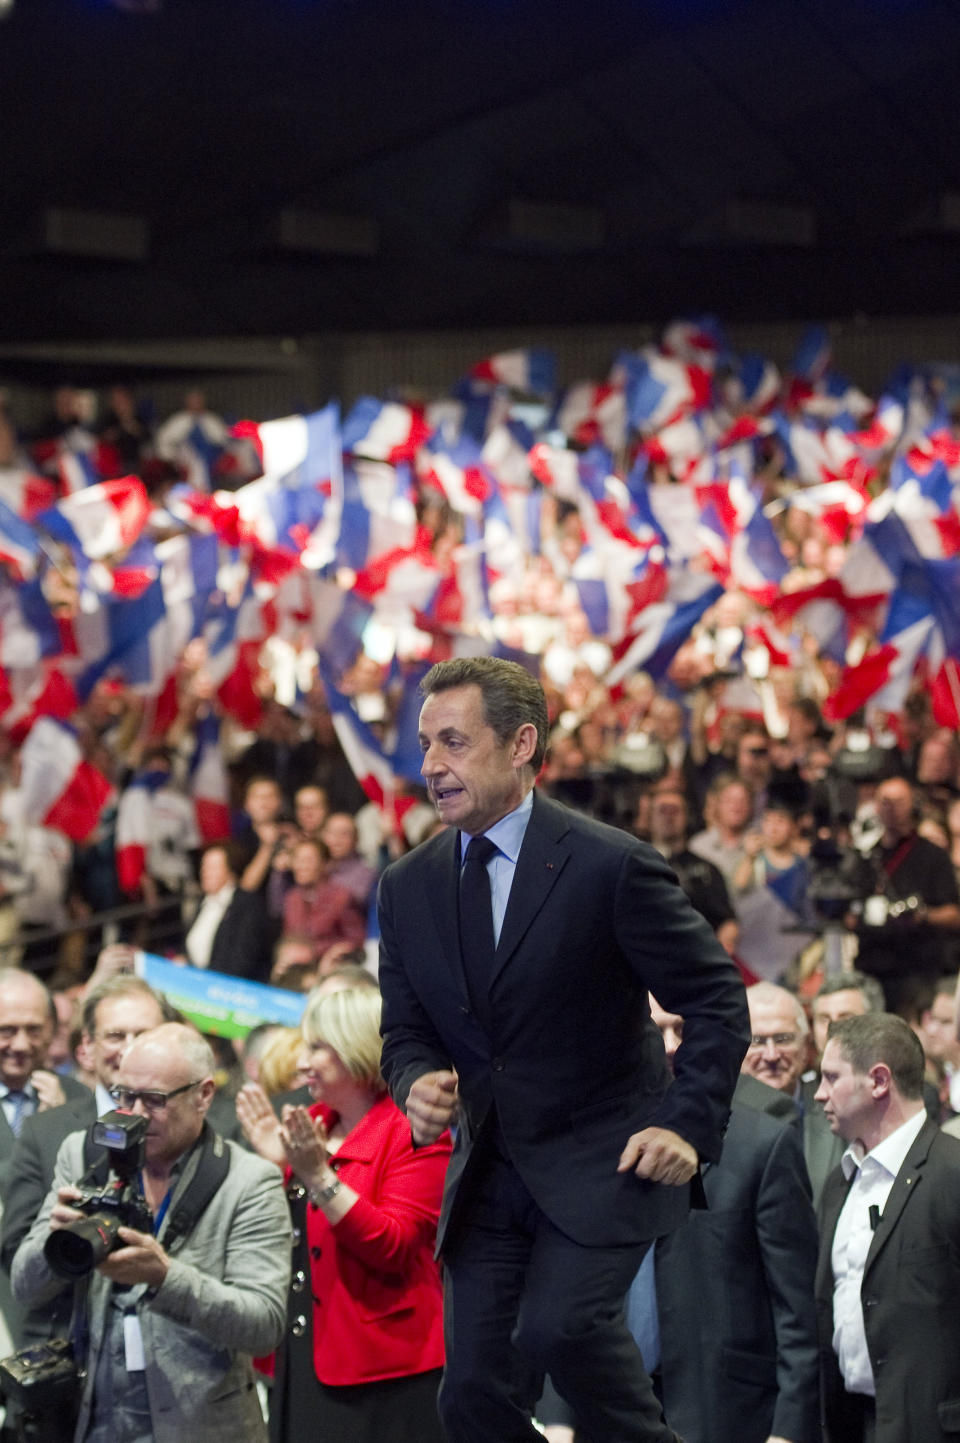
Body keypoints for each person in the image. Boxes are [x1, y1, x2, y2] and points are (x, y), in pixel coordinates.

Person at [377, 655, 749, 1443]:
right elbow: (404, 1031)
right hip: (487, 1172)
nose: (431, 767)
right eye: (424, 744)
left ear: (520, 744)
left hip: (601, 1159)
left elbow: (716, 999)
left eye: (452, 741)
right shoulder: (406, 886)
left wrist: (686, 1122)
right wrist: (413, 1080)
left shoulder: (611, 864)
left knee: (561, 1329)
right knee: (469, 1394)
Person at [11, 1024, 291, 1443]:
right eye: (124, 1095)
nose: (136, 1114)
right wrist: (54, 1241)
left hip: (201, 1425)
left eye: (155, 1100)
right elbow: (25, 1288)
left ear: (204, 1094)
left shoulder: (249, 1181)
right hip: (97, 1418)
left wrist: (165, 1277)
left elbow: (264, 1324)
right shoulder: (86, 1153)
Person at [236, 986, 451, 1443]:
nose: (301, 1062)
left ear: (356, 1051)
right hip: (302, 1358)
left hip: (386, 1373)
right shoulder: (309, 1125)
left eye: (317, 1047)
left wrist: (314, 1175)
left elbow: (392, 1246)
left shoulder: (413, 1131)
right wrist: (278, 1165)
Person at [633, 997, 820, 1443]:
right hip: (617, 1407)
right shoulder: (598, 1136)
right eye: (656, 1030)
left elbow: (797, 1309)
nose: (671, 1045)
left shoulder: (764, 1142)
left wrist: (789, 1431)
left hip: (727, 1411)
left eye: (681, 1028)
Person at [814, 1013, 960, 1443]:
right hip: (850, 1423)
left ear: (878, 1081)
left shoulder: (953, 1172)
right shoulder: (839, 1181)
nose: (819, 1094)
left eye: (831, 1077)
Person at [852, 774, 960, 1018]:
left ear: (913, 805)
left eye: (898, 801)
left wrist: (921, 915)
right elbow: (853, 908)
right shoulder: (866, 856)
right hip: (872, 965)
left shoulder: (933, 856)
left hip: (917, 969)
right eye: (884, 801)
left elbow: (954, 914)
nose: (890, 809)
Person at [182, 840, 275, 979]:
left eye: (213, 867)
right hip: (196, 980)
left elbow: (242, 960)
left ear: (231, 872)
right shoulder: (204, 902)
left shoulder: (247, 905)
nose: (205, 872)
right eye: (204, 866)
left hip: (227, 988)